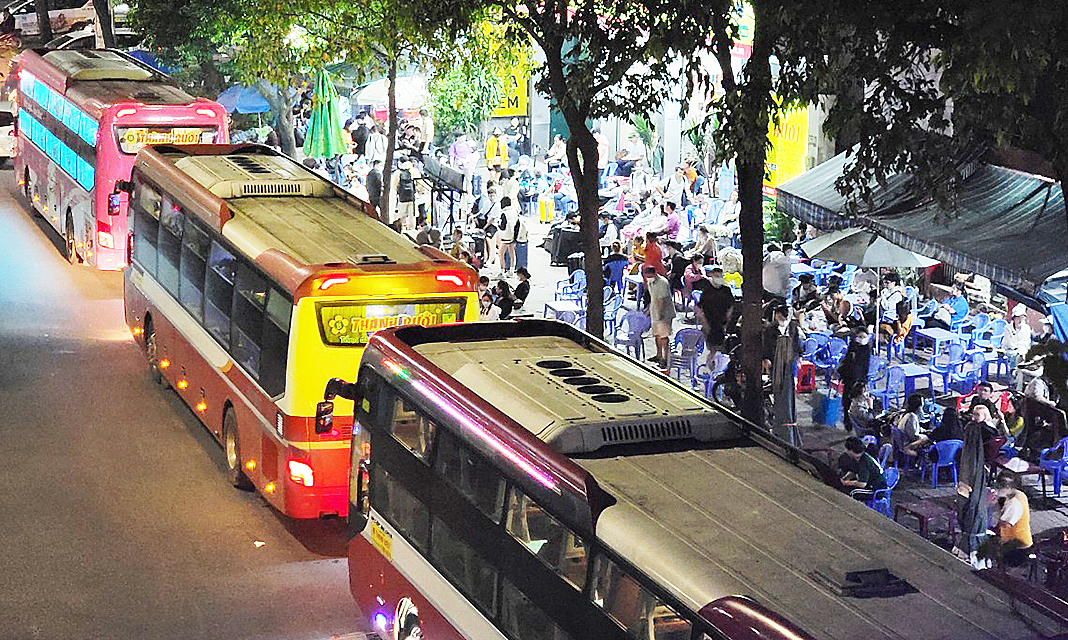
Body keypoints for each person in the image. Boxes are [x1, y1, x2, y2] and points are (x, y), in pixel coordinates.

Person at [696, 267, 735, 366]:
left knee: (720, 348)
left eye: (720, 276)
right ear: (712, 276)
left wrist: (727, 319)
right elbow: (700, 307)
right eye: (716, 276)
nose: (718, 278)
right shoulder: (707, 290)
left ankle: (716, 366)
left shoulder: (726, 290)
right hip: (709, 322)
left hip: (721, 322)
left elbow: (731, 305)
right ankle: (710, 366)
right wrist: (704, 321)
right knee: (711, 347)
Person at [994, 473, 1033, 567]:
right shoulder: (1020, 494)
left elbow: (1006, 523)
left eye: (1000, 486)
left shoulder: (1014, 502)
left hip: (1017, 547)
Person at [838, 327, 873, 431]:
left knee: (859, 402)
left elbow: (865, 366)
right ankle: (847, 422)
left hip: (859, 380)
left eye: (864, 337)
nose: (862, 339)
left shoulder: (866, 348)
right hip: (849, 378)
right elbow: (846, 363)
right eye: (860, 336)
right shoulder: (852, 346)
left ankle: (858, 424)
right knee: (846, 401)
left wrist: (863, 380)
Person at [643, 265, 675, 369]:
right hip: (654, 311)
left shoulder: (662, 283)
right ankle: (658, 355)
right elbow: (653, 297)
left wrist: (660, 315)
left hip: (664, 313)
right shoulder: (650, 282)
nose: (648, 278)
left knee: (663, 337)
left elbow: (662, 300)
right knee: (656, 335)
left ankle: (665, 359)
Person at [392, 160, 418, 230]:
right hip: (412, 198)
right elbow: (419, 185)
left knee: (401, 215)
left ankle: (402, 229)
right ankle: (412, 229)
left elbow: (394, 186)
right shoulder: (414, 171)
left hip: (402, 198)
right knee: (412, 215)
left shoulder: (397, 172)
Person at [497, 196, 519, 276]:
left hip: (506, 236)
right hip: (514, 235)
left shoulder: (504, 213)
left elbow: (502, 226)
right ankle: (512, 270)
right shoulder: (514, 211)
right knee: (512, 253)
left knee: (501, 253)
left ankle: (502, 270)